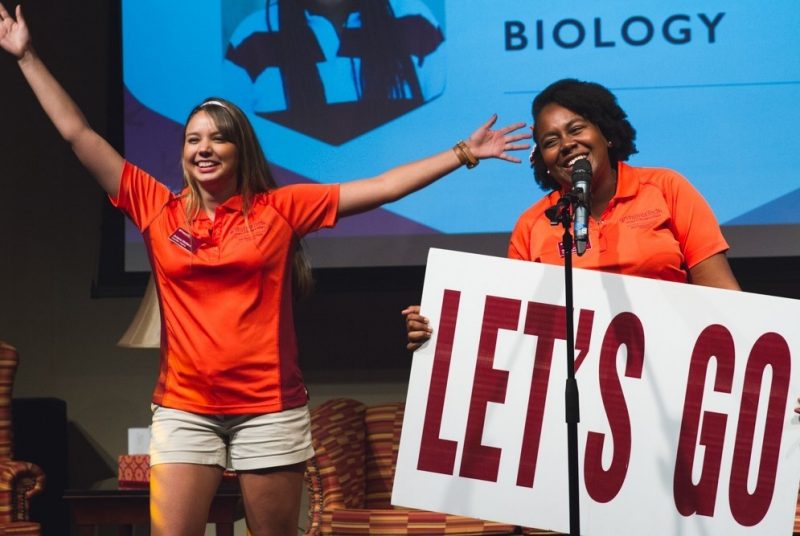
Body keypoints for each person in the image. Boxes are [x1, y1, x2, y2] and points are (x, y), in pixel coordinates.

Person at [0, 4, 529, 536]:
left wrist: (463, 151)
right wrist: (27, 57)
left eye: (217, 138)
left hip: (269, 410)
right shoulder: (155, 207)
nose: (204, 149)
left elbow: (383, 187)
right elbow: (78, 134)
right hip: (185, 409)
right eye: (193, 140)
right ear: (183, 154)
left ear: (239, 148)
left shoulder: (279, 209)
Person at [404, 77, 740, 347]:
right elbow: (514, 325)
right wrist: (442, 321)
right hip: (579, 389)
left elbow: (723, 295)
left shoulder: (666, 187)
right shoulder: (532, 225)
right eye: (550, 141)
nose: (566, 144)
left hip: (677, 365)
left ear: (606, 134)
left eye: (576, 129)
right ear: (545, 162)